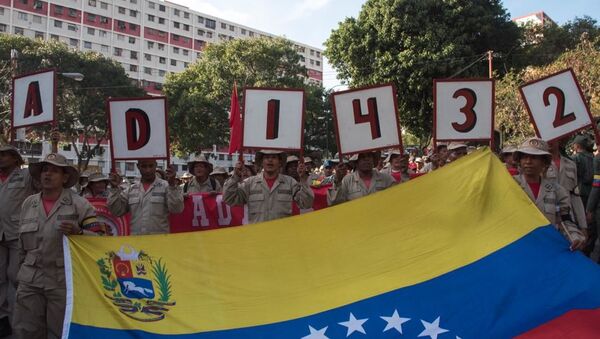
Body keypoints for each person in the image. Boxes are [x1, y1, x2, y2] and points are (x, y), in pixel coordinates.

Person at [14, 153, 101, 338]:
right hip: (30, 281)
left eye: (54, 171)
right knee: (25, 331)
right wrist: (20, 274)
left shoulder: (79, 204)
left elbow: (99, 239)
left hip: (62, 281)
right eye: (45, 170)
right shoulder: (28, 204)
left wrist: (79, 232)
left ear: (65, 177)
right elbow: (21, 247)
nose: (48, 174)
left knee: (60, 332)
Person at [513, 138, 585, 250]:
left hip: (547, 247)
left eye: (534, 157)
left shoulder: (557, 191)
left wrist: (575, 236)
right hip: (518, 247)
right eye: (524, 157)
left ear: (544, 162)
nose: (528, 161)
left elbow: (565, 220)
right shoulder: (511, 185)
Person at [0, 145, 36, 336]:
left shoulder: (25, 175)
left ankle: (26, 316)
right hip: (0, 233)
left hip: (17, 232)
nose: (1, 158)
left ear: (15, 158)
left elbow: (45, 172)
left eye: (5, 155)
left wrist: (55, 144)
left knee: (16, 275)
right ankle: (3, 319)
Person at [223, 150, 314, 223]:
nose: (270, 160)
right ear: (262, 162)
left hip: (282, 237)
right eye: (266, 158)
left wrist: (303, 180)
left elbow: (306, 203)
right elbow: (229, 199)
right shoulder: (250, 183)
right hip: (258, 237)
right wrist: (235, 177)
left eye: (274, 157)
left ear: (280, 162)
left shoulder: (290, 182)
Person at [108, 159, 184, 235]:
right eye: (144, 166)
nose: (148, 170)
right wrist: (114, 188)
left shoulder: (166, 186)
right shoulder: (131, 189)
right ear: (138, 167)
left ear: (156, 165)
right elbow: (116, 211)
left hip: (159, 241)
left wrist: (172, 185)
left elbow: (177, 209)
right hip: (137, 242)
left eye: (151, 166)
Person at [328, 151, 395, 205]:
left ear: (373, 160)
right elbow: (335, 203)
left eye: (369, 156)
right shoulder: (347, 181)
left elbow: (398, 197)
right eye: (362, 157)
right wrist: (338, 181)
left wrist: (404, 174)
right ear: (356, 162)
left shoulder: (386, 179)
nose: (367, 159)